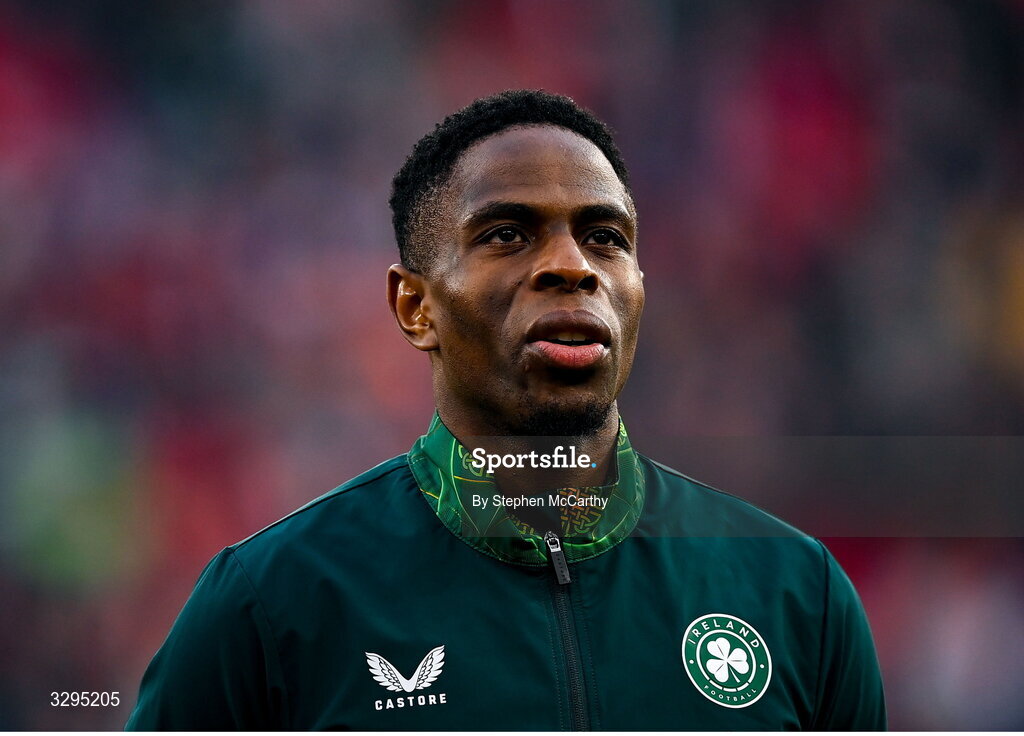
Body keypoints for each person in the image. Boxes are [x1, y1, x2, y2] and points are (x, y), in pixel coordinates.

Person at [126, 90, 885, 730]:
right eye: (507, 234)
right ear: (415, 306)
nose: (571, 266)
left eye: (605, 237)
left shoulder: (794, 593)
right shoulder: (271, 603)